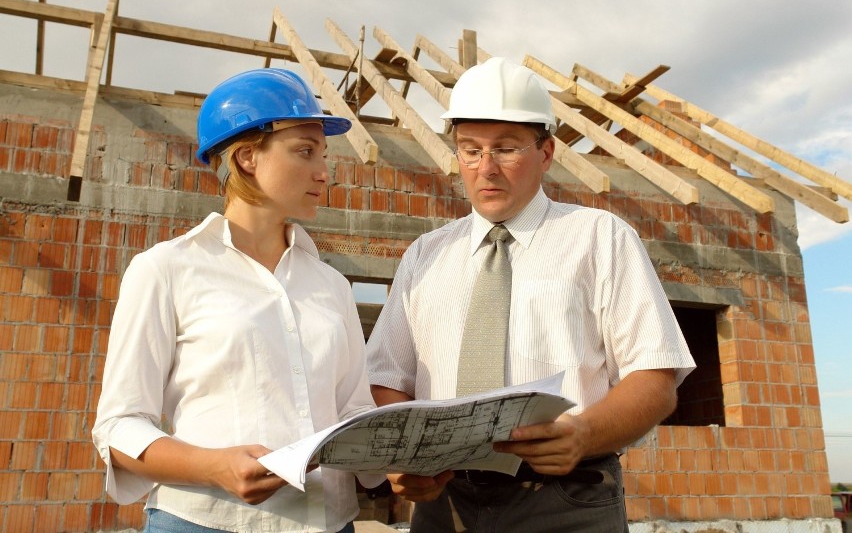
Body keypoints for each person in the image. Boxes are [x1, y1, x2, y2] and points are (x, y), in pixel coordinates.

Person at [366, 57, 696, 532]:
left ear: (546, 152)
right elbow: (387, 377)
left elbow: (656, 379)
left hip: (566, 499)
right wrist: (406, 457)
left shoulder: (599, 238)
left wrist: (583, 433)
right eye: (470, 149)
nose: (486, 168)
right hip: (445, 503)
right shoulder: (425, 256)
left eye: (505, 149)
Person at [92, 68, 382, 533]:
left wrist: (407, 456)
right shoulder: (166, 269)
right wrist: (214, 466)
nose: (324, 172)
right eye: (305, 151)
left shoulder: (331, 286)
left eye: (323, 154)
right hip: (203, 523)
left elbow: (353, 413)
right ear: (248, 157)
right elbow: (120, 427)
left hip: (331, 523)